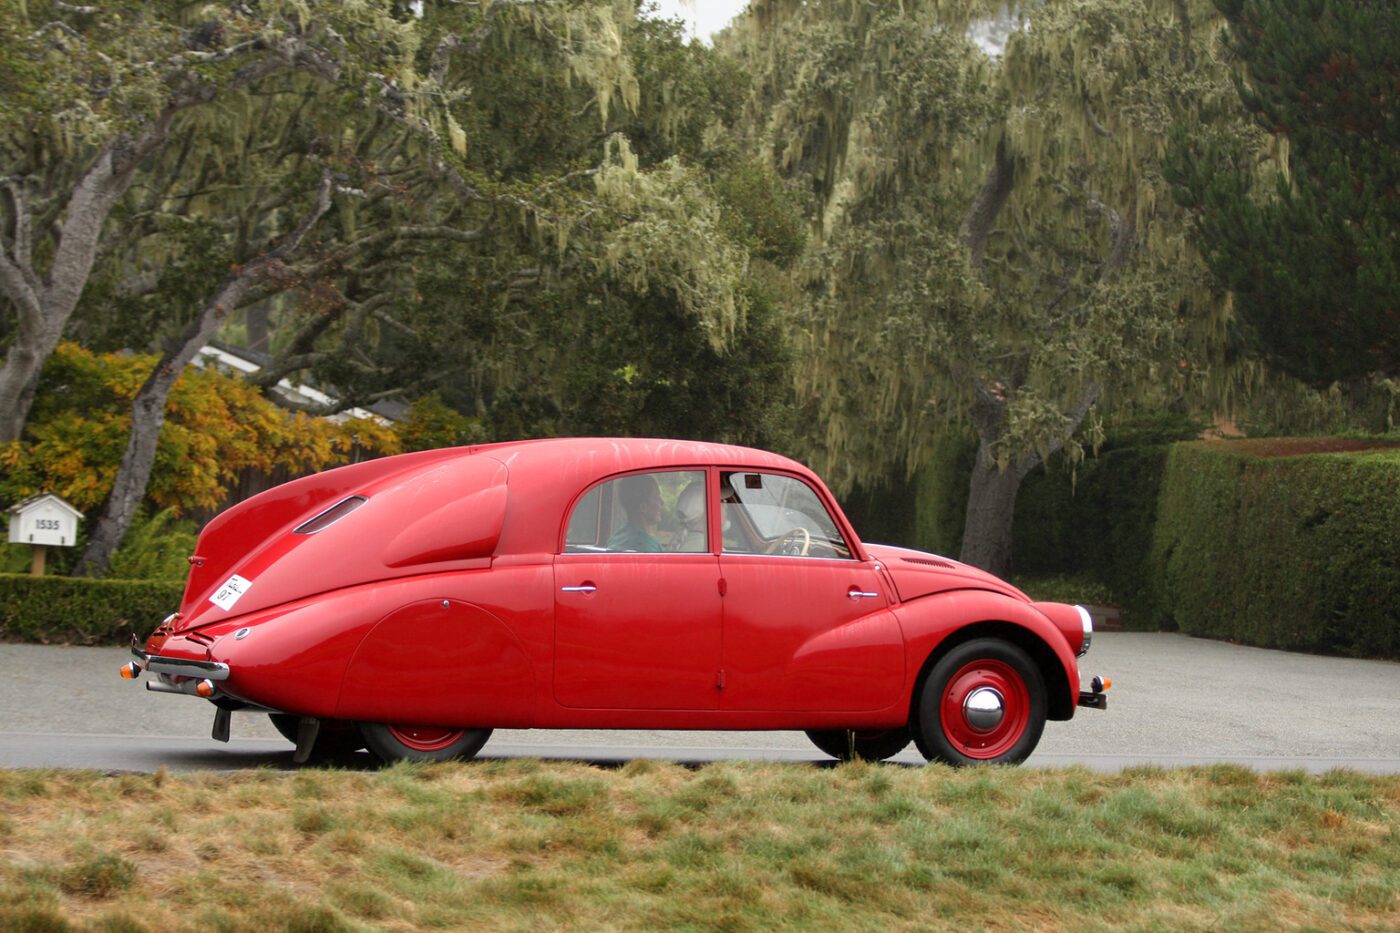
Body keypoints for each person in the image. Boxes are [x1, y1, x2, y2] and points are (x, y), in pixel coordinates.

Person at [606, 474, 664, 552]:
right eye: (657, 497)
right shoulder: (646, 547)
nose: (662, 502)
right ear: (643, 507)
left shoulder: (616, 537)